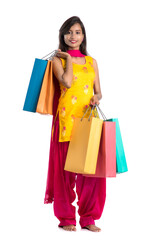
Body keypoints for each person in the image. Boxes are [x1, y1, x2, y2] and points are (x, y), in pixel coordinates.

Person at [44, 16, 106, 232]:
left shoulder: (92, 62)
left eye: (78, 32)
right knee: (65, 173)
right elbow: (67, 82)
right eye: (69, 32)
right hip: (65, 121)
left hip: (87, 121)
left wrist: (97, 97)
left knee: (90, 172)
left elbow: (98, 90)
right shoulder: (57, 61)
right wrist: (68, 60)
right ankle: (66, 218)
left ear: (83, 36)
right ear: (63, 35)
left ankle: (88, 218)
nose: (73, 36)